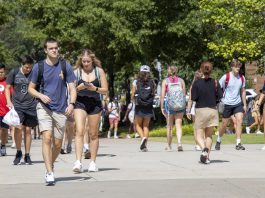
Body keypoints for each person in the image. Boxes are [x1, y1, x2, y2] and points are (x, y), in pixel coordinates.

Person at [28, 38, 77, 185]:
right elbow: (31, 88)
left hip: (61, 109)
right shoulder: (39, 67)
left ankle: (51, 163)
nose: (54, 50)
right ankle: (49, 172)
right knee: (47, 138)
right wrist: (40, 95)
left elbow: (72, 88)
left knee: (57, 144)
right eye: (51, 48)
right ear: (45, 50)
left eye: (56, 48)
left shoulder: (65, 65)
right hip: (44, 107)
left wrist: (72, 104)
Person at [72, 49, 108, 173]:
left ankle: (93, 162)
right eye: (84, 61)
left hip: (94, 103)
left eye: (88, 61)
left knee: (93, 134)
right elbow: (71, 90)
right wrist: (78, 88)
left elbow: (105, 90)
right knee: (79, 131)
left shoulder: (99, 72)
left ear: (92, 60)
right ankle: (78, 162)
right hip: (80, 102)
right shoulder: (76, 72)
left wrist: (95, 88)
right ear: (80, 61)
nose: (86, 63)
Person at [187, 61, 222, 164]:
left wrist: (188, 110)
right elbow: (219, 97)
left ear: (201, 70)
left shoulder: (196, 83)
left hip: (201, 110)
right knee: (209, 135)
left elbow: (193, 98)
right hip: (212, 110)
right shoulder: (215, 82)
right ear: (211, 70)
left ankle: (204, 150)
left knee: (198, 135)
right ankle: (207, 157)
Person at [5, 55, 38, 165]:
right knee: (18, 129)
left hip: (31, 105)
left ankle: (27, 154)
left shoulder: (34, 73)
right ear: (22, 65)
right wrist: (9, 102)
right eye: (26, 67)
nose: (28, 70)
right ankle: (19, 152)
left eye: (30, 67)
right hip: (18, 105)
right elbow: (7, 87)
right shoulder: (14, 72)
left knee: (28, 130)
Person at [215, 59, 247, 151]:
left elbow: (243, 91)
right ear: (232, 67)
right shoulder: (226, 77)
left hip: (237, 103)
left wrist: (244, 104)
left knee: (239, 121)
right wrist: (221, 99)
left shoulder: (242, 77)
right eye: (236, 66)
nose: (238, 68)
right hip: (227, 104)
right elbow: (218, 88)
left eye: (239, 66)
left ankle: (238, 143)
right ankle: (218, 140)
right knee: (224, 124)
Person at [160, 65, 186, 151]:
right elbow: (184, 94)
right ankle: (179, 143)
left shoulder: (165, 81)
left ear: (169, 72)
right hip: (180, 105)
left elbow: (162, 95)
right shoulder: (181, 81)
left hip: (169, 106)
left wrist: (162, 107)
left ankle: (169, 145)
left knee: (169, 126)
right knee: (179, 125)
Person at [131, 65, 155, 152]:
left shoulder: (136, 81)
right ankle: (144, 145)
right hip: (148, 105)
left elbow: (133, 94)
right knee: (146, 125)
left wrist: (133, 100)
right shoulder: (152, 82)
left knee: (137, 125)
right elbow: (153, 93)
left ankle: (143, 139)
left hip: (139, 105)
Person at [187, 70, 203, 151]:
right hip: (204, 108)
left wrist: (188, 110)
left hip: (195, 108)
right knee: (203, 127)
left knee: (196, 127)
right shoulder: (205, 85)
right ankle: (202, 143)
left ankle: (197, 144)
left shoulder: (193, 86)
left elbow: (190, 100)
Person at [0, 63, 10, 156]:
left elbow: (12, 96)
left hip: (5, 112)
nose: (0, 74)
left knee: (4, 130)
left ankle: (3, 145)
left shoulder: (8, 83)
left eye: (2, 72)